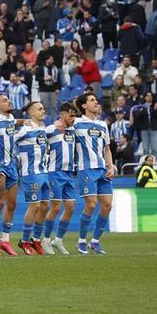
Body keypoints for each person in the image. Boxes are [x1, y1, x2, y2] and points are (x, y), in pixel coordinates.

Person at [73, 93, 115, 254]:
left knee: (107, 205)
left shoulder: (103, 125)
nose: (96, 103)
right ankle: (82, 240)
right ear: (83, 106)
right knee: (90, 205)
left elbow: (107, 148)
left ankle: (95, 240)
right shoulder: (76, 123)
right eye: (92, 101)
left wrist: (110, 166)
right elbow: (62, 125)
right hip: (86, 169)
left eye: (96, 100)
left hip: (103, 169)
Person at [42, 102, 79, 255]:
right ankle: (45, 240)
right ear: (62, 114)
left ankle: (58, 240)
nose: (73, 118)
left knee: (70, 207)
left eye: (75, 115)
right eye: (71, 115)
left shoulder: (73, 131)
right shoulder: (52, 129)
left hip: (69, 173)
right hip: (55, 172)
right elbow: (40, 134)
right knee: (56, 207)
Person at [14, 102, 50, 256]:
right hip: (30, 173)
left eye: (43, 108)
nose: (43, 110)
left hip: (43, 171)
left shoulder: (43, 128)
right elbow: (9, 141)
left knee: (45, 206)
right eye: (39, 109)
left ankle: (36, 239)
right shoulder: (25, 129)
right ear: (31, 113)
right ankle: (24, 240)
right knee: (34, 206)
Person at [0, 94, 20, 257]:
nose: (9, 101)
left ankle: (5, 240)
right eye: (4, 100)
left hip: (11, 165)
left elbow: (15, 124)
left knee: (12, 204)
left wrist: (26, 122)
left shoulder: (11, 119)